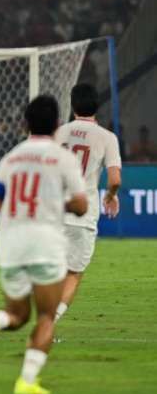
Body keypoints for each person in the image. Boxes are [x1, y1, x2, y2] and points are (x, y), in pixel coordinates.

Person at [0, 95, 88, 394]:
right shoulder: (63, 158)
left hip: (10, 242)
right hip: (45, 242)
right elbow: (82, 205)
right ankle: (27, 381)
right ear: (58, 125)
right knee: (46, 316)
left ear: (25, 123)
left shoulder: (13, 157)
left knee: (18, 316)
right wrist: (54, 203)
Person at [53, 84, 122, 323]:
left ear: (72, 106)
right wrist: (110, 196)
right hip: (83, 215)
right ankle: (49, 322)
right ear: (97, 106)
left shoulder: (59, 132)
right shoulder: (107, 137)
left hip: (54, 212)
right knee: (73, 274)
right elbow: (115, 180)